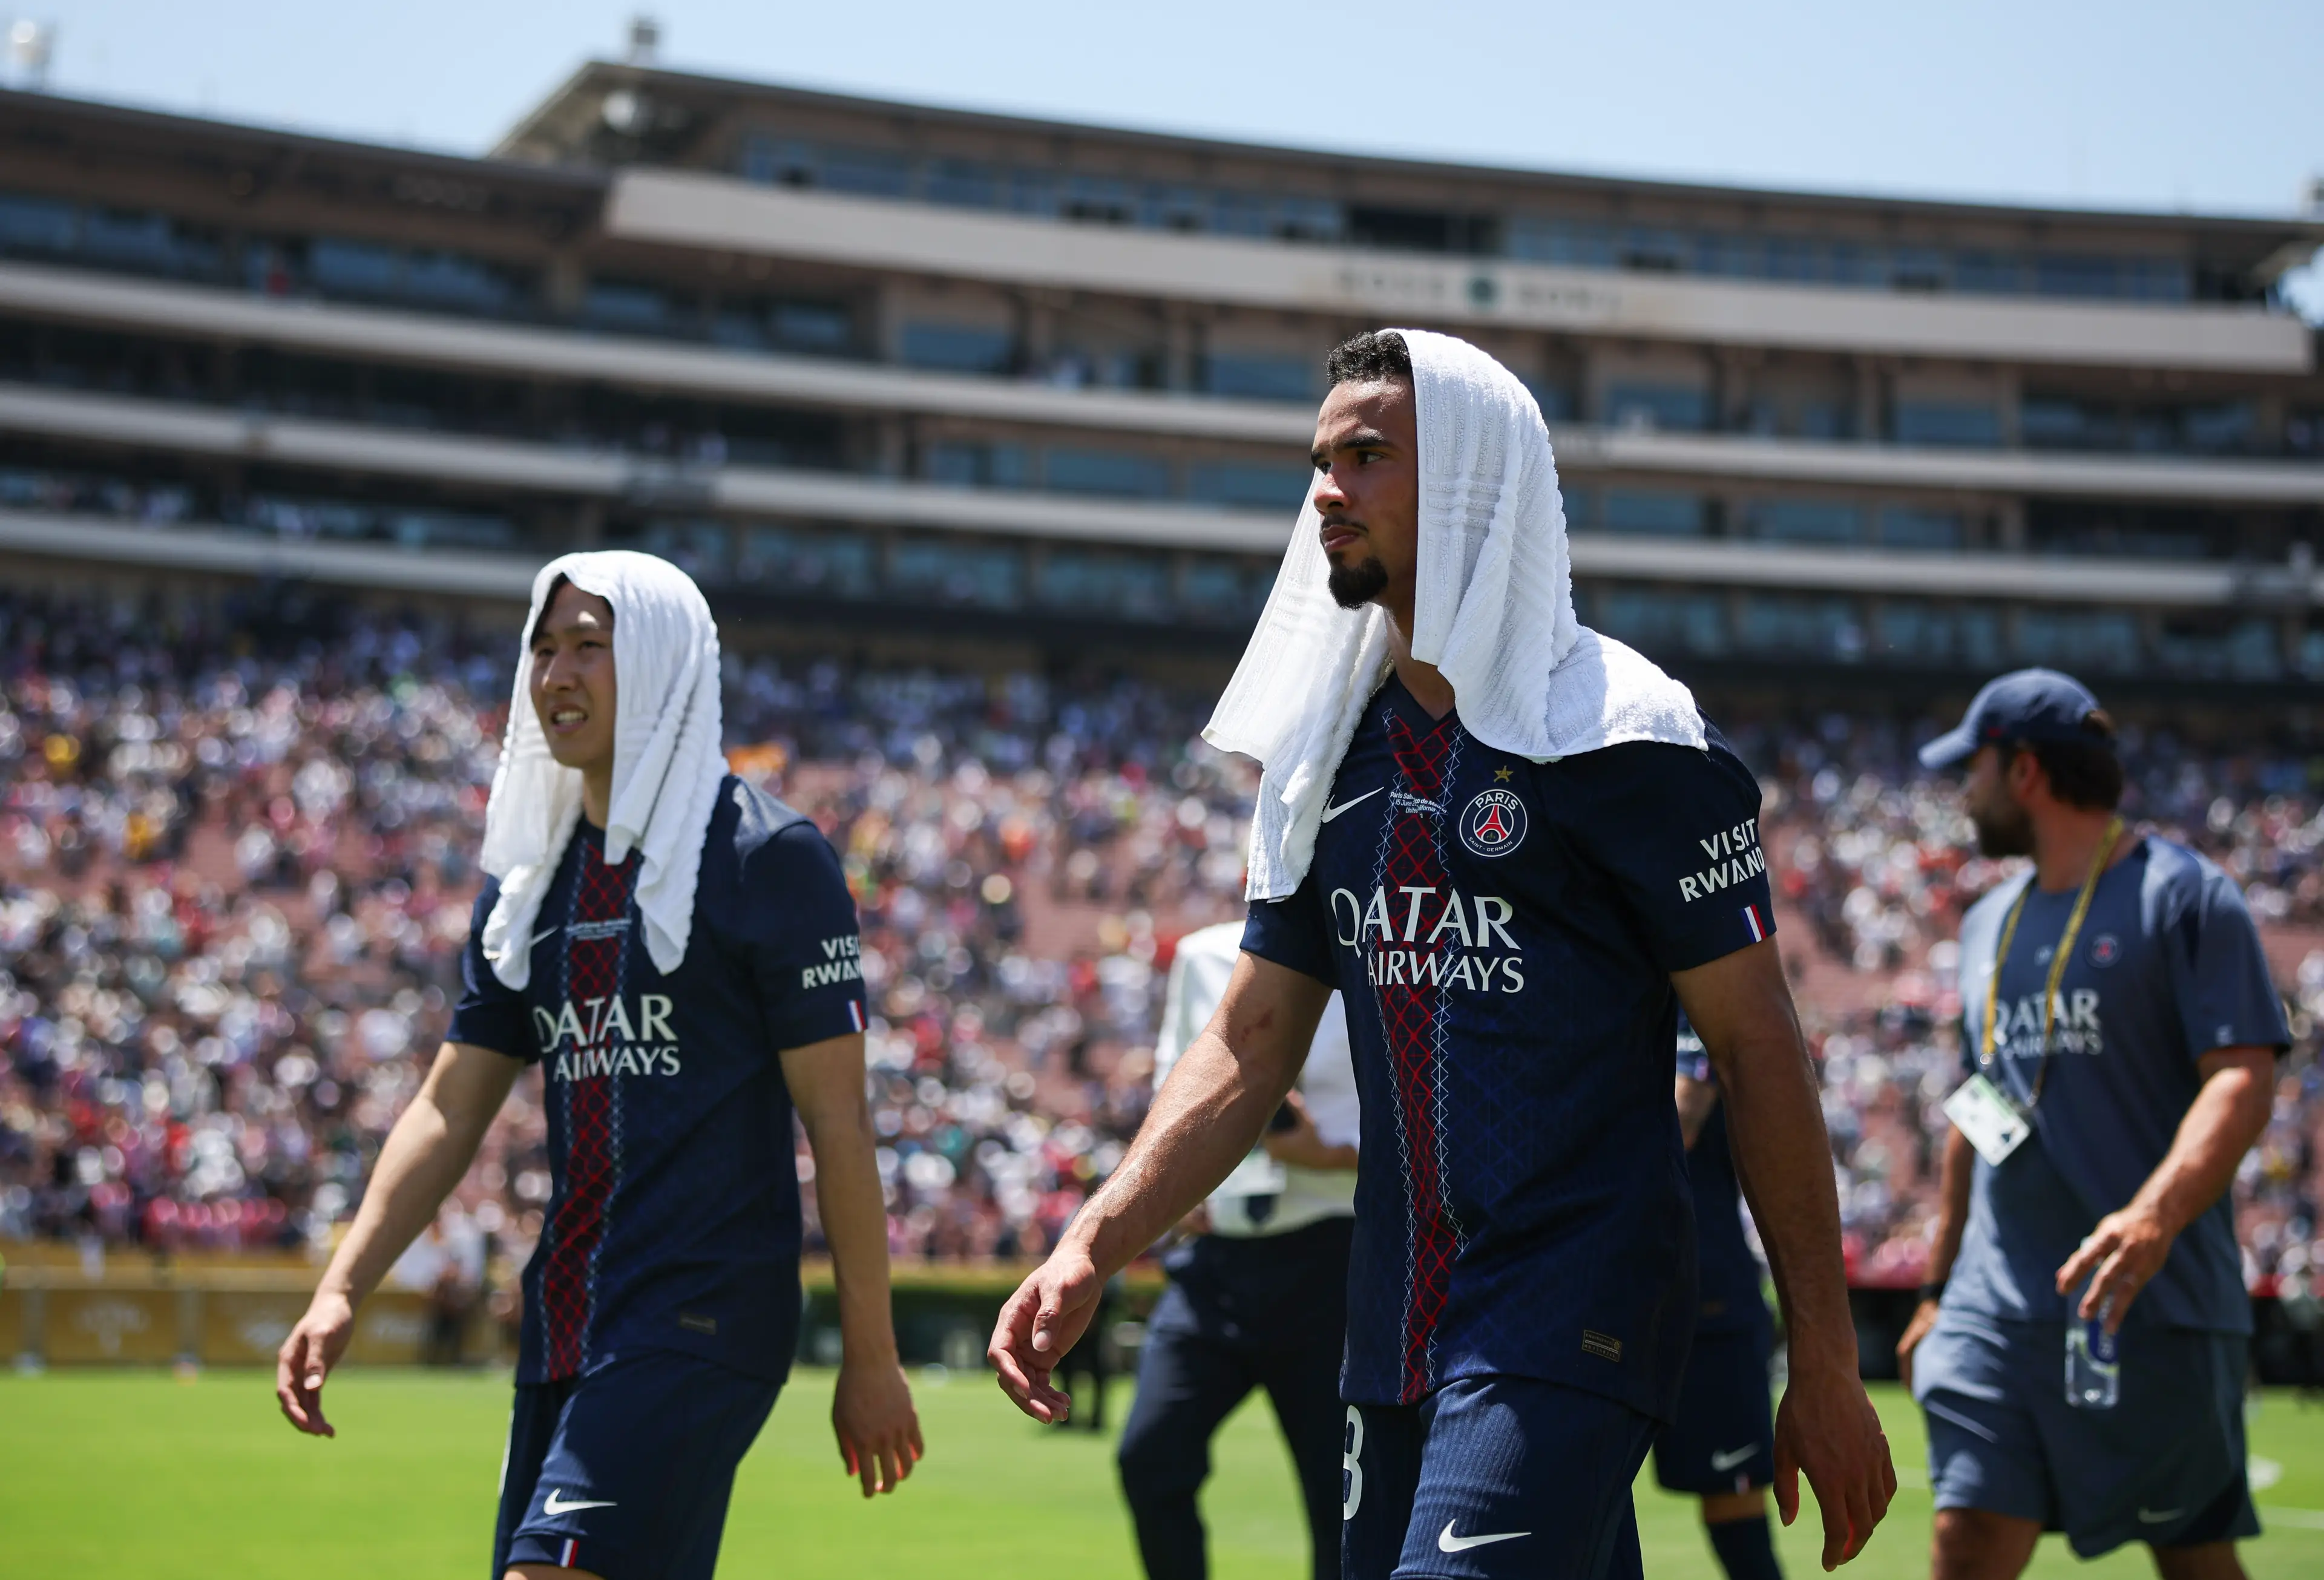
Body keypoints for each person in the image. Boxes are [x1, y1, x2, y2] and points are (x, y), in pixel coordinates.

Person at [991, 329, 1893, 1580]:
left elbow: (1757, 1047)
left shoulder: (1626, 735)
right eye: (1319, 460)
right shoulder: (1324, 755)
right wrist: (1094, 1237)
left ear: (1472, 482)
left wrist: (1829, 1366)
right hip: (1393, 1331)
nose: (1324, 490)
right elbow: (1250, 1042)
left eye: (1367, 457)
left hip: (1572, 1311)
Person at [275, 552, 921, 1580]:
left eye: (589, 646)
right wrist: (343, 1285)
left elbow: (838, 1127)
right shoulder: (527, 883)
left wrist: (872, 1355)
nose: (555, 675)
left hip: (703, 1314)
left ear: (662, 663)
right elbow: (450, 1103)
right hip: (567, 1319)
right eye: (542, 648)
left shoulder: (768, 858)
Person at [1897, 669, 2286, 1580]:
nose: (1966, 791)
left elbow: (2243, 1077)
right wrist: (1939, 1285)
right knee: (1968, 1539)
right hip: (2001, 1313)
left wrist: (2151, 1219)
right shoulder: (1990, 919)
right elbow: (1981, 1106)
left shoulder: (2188, 896)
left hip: (2151, 1306)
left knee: (2194, 1558)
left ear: (2024, 769)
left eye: (1976, 768)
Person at [1116, 920, 1361, 1580]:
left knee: (1339, 1499)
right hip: (1219, 1257)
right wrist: (1175, 1182)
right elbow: (1180, 1081)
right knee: (1149, 1456)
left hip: (1333, 1256)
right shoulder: (1205, 953)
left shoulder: (1377, 951)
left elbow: (1419, 1126)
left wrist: (1331, 1158)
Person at [1656, 1012, 1784, 1580]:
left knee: (1734, 1499)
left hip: (1704, 1290)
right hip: (1598, 1278)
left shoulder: (1698, 1002)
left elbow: (1681, 1120)